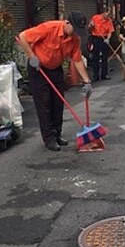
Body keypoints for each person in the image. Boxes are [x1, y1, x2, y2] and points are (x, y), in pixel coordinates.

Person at [18, 13, 93, 152]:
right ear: (67, 23)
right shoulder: (49, 28)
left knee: (58, 102)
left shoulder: (74, 39)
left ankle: (57, 134)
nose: (75, 34)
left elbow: (77, 60)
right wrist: (32, 56)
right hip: (38, 69)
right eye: (74, 30)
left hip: (55, 68)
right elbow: (22, 36)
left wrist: (87, 81)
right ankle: (49, 138)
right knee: (44, 104)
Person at [88, 7, 114, 81]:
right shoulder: (95, 18)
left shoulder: (109, 21)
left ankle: (104, 74)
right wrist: (91, 25)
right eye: (108, 13)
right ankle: (95, 75)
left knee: (104, 57)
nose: (109, 15)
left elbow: (110, 31)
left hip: (104, 39)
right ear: (104, 13)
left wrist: (108, 39)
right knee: (95, 57)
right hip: (96, 38)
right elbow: (89, 29)